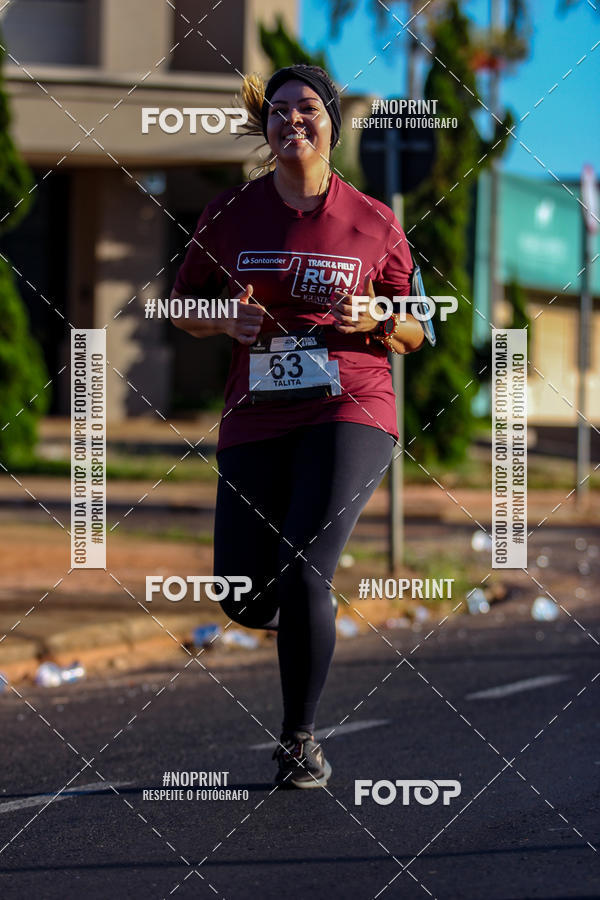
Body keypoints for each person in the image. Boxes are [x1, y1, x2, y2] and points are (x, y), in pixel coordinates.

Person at [170, 64, 425, 790]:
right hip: (257, 410)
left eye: (307, 109)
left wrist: (376, 316)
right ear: (267, 127)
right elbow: (182, 308)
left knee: (307, 567)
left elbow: (416, 329)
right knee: (243, 593)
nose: (292, 122)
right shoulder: (230, 212)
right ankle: (300, 623)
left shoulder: (373, 220)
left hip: (352, 403)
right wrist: (226, 316)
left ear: (331, 125)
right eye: (279, 111)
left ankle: (299, 739)